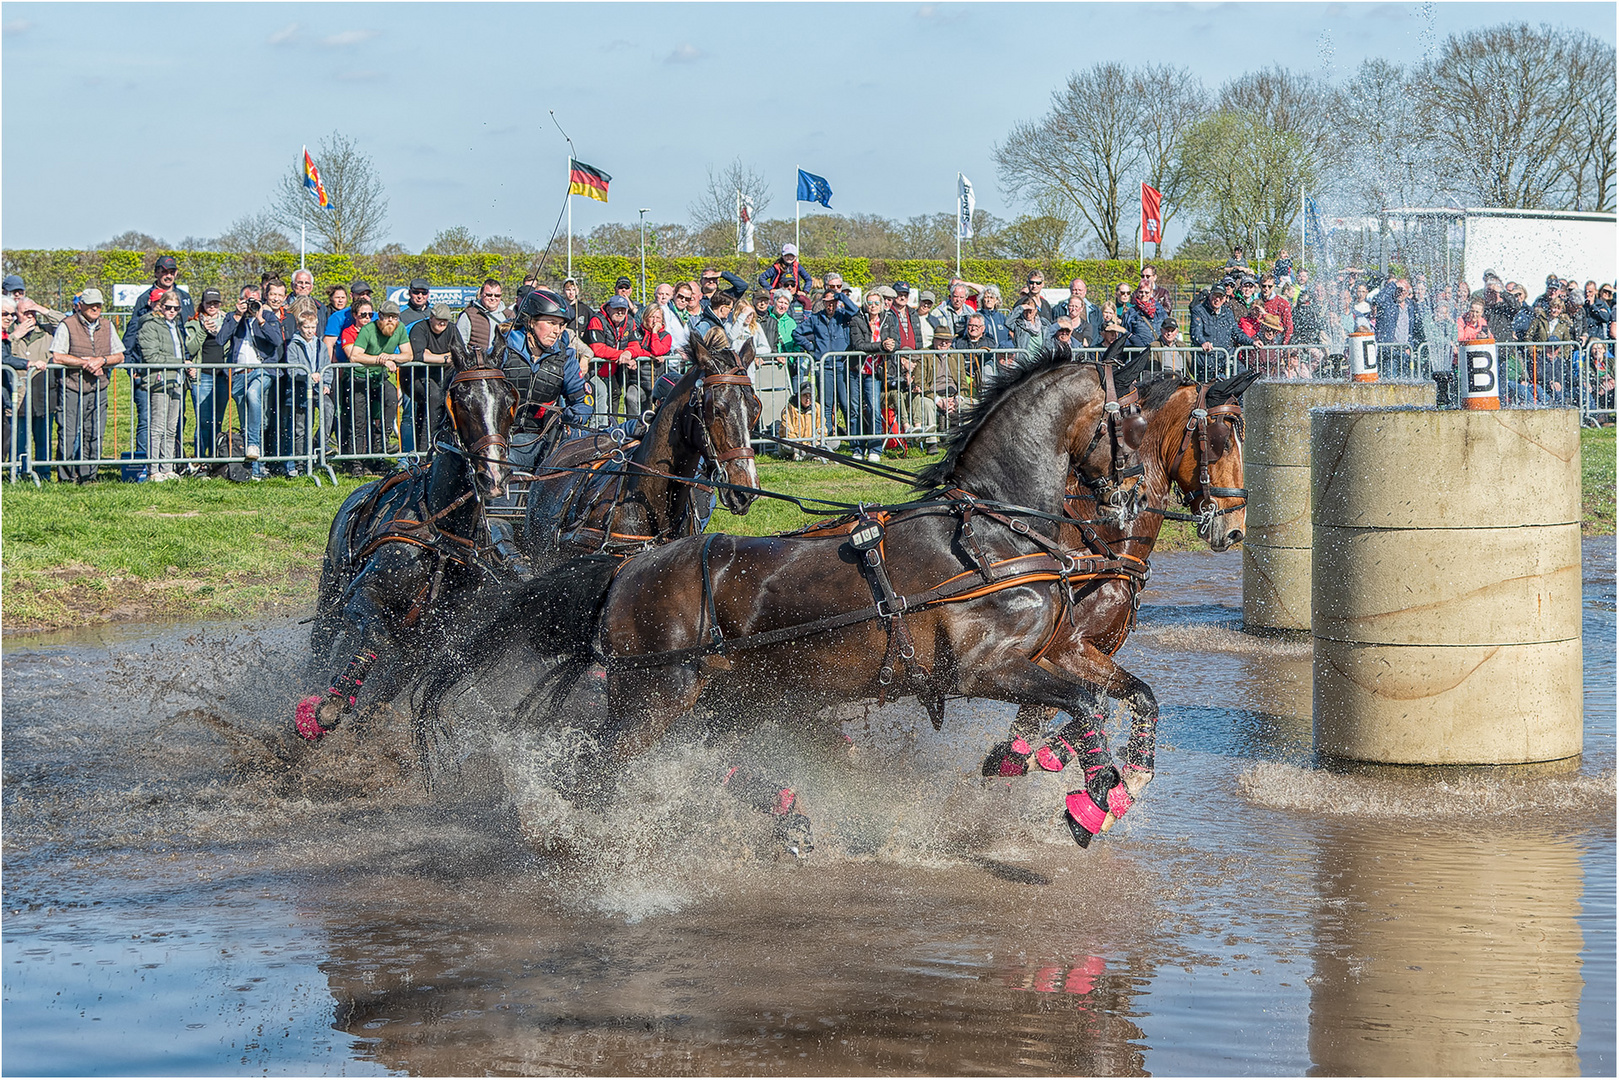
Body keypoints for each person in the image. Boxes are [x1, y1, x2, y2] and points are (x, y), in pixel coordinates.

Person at [501, 288, 594, 469]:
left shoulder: (565, 358)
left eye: (561, 325)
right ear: (530, 322)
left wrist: (577, 416)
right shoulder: (503, 350)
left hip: (543, 440)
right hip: (502, 441)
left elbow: (583, 401)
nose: (557, 331)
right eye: (551, 323)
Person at [121, 255, 194, 473]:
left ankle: (169, 466)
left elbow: (184, 336)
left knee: (174, 424)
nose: (168, 274)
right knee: (150, 422)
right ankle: (148, 468)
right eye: (163, 270)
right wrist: (132, 367)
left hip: (176, 376)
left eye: (172, 271)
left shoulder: (184, 298)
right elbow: (132, 336)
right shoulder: (145, 301)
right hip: (152, 374)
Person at [50, 289, 123, 482]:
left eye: (98, 304)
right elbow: (57, 356)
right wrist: (85, 363)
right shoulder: (67, 325)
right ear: (80, 305)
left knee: (94, 432)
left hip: (99, 387)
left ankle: (89, 475)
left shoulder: (107, 326)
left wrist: (102, 360)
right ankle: (66, 476)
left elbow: (120, 355)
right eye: (91, 304)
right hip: (71, 386)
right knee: (68, 432)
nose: (95, 308)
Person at [134, 290, 203, 480]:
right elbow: (151, 356)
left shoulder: (174, 326)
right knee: (157, 426)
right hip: (159, 380)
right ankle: (153, 470)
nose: (172, 311)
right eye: (168, 307)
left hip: (177, 380)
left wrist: (186, 366)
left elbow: (181, 352)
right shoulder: (149, 325)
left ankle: (168, 468)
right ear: (160, 306)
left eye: (176, 308)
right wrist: (181, 362)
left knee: (172, 427)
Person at [218, 284, 280, 478]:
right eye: (247, 300)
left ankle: (253, 447)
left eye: (255, 300)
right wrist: (237, 316)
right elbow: (220, 340)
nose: (251, 304)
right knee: (248, 421)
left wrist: (260, 318)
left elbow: (277, 341)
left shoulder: (268, 317)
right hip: (238, 374)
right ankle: (254, 469)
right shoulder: (232, 317)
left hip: (262, 371)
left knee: (253, 395)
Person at [346, 299, 411, 468]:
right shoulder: (368, 329)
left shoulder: (400, 329)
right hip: (359, 379)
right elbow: (355, 356)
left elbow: (408, 355)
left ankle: (379, 455)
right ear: (380, 316)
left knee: (389, 406)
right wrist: (380, 360)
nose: (391, 320)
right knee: (359, 421)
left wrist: (391, 357)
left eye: (394, 317)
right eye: (387, 317)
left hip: (379, 379)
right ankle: (357, 463)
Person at [793, 284, 860, 440]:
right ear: (823, 303)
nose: (830, 306)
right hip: (825, 367)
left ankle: (852, 439)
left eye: (833, 303)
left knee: (846, 403)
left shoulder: (843, 316)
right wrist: (811, 347)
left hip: (842, 365)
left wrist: (840, 296)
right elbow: (796, 333)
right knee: (826, 404)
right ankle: (828, 438)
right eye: (827, 303)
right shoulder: (816, 318)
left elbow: (856, 312)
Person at [404, 303, 463, 451]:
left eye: (446, 320)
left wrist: (433, 356)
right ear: (431, 317)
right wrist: (444, 358)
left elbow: (460, 353)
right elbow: (420, 355)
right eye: (439, 319)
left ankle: (447, 444)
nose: (442, 323)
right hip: (417, 376)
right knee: (434, 398)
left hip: (444, 377)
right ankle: (425, 448)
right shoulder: (420, 328)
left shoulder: (452, 329)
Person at [848, 287, 898, 461]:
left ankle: (875, 449)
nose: (873, 306)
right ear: (865, 304)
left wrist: (892, 346)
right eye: (870, 302)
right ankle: (857, 447)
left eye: (877, 302)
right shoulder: (856, 319)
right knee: (854, 410)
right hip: (857, 369)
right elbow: (859, 345)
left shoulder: (888, 319)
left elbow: (895, 340)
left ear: (882, 304)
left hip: (875, 371)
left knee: (874, 409)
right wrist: (881, 346)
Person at [8, 300, 56, 476]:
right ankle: (20, 473)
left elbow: (65, 322)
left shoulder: (46, 331)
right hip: (18, 394)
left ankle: (44, 473)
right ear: (16, 315)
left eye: (32, 312)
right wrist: (15, 335)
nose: (30, 316)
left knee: (43, 438)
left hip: (43, 393)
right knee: (19, 438)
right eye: (25, 312)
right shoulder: (8, 332)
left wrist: (41, 309)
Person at [284, 300, 329, 475]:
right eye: (306, 328)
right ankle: (301, 463)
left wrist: (327, 383)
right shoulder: (294, 345)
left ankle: (319, 444)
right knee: (301, 427)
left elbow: (326, 366)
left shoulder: (320, 345)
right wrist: (307, 375)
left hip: (317, 389)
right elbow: (292, 369)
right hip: (299, 390)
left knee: (328, 408)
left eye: (312, 327)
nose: (309, 331)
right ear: (299, 326)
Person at [585, 294, 640, 425]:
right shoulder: (597, 320)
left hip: (615, 369)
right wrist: (622, 355)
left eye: (623, 309)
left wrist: (628, 353)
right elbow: (597, 348)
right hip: (594, 369)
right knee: (601, 394)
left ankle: (613, 428)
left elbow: (636, 345)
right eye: (616, 309)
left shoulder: (630, 322)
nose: (620, 312)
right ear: (608, 309)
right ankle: (598, 429)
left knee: (615, 395)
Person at [1188, 284, 1248, 379]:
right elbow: (1196, 332)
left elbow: (1236, 332)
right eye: (1215, 295)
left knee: (1244, 377)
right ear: (1210, 295)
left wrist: (1252, 342)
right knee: (1207, 392)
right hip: (1206, 361)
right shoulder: (1198, 310)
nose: (1217, 299)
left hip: (1225, 359)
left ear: (1224, 298)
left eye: (1220, 297)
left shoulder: (1227, 312)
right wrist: (1202, 342)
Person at [625, 305, 673, 420]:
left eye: (658, 317)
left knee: (652, 406)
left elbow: (657, 350)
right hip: (637, 379)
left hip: (657, 380)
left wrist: (655, 333)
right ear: (645, 317)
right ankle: (632, 425)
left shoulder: (666, 336)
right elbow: (635, 350)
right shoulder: (636, 333)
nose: (655, 320)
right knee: (631, 397)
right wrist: (650, 355)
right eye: (652, 317)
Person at [457, 278, 507, 358]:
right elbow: (460, 344)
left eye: (497, 295)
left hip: (503, 364)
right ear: (481, 295)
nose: (493, 298)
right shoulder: (469, 315)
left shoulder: (509, 315)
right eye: (489, 295)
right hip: (478, 366)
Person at [1051, 278, 1102, 347]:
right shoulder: (1058, 309)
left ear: (1085, 291)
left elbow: (1099, 332)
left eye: (1080, 290)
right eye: (1075, 290)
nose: (1077, 292)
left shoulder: (1095, 311)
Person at [977, 285, 1013, 350]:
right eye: (986, 297)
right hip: (985, 356)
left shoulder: (1002, 317)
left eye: (991, 298)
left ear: (996, 300)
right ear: (982, 300)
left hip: (1002, 356)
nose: (989, 300)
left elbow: (1009, 336)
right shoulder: (977, 316)